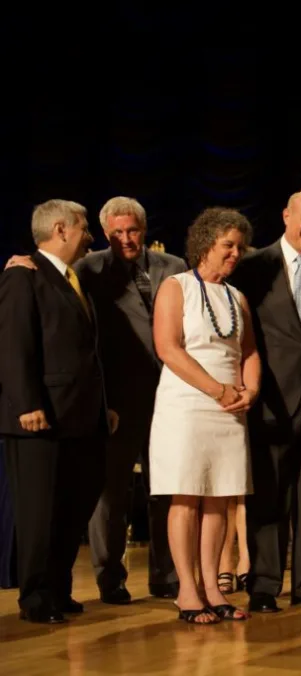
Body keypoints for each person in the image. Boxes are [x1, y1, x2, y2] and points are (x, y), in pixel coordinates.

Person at [2, 196, 188, 603]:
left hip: (166, 397)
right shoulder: (83, 269)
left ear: (144, 228)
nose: (126, 238)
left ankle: (165, 575)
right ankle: (107, 579)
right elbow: (23, 337)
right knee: (107, 495)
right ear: (101, 233)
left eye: (133, 230)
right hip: (110, 400)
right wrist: (20, 262)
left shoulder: (173, 267)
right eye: (115, 232)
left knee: (165, 489)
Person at [0, 199, 116, 623]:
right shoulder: (23, 274)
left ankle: (58, 589)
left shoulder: (74, 278)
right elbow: (13, 345)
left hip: (81, 416)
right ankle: (34, 598)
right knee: (39, 512)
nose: (89, 235)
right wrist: (27, 403)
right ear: (61, 229)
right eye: (84, 227)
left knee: (74, 505)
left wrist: (105, 406)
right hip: (39, 417)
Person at [228, 189, 301, 612]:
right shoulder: (254, 268)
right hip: (271, 398)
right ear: (286, 215)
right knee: (269, 494)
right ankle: (263, 583)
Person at [149, 207, 260, 624]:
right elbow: (168, 348)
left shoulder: (237, 297)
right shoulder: (175, 287)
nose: (235, 253)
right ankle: (188, 591)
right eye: (227, 245)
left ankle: (214, 586)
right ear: (205, 243)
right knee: (187, 496)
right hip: (188, 405)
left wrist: (249, 391)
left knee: (219, 498)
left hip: (230, 408)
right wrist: (217, 390)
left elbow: (248, 351)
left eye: (240, 247)